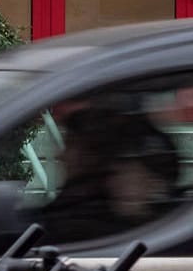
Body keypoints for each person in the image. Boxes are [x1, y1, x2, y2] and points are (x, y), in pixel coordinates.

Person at [39, 100, 181, 244]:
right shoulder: (77, 210)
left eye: (71, 143)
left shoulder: (90, 221)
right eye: (111, 174)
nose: (61, 155)